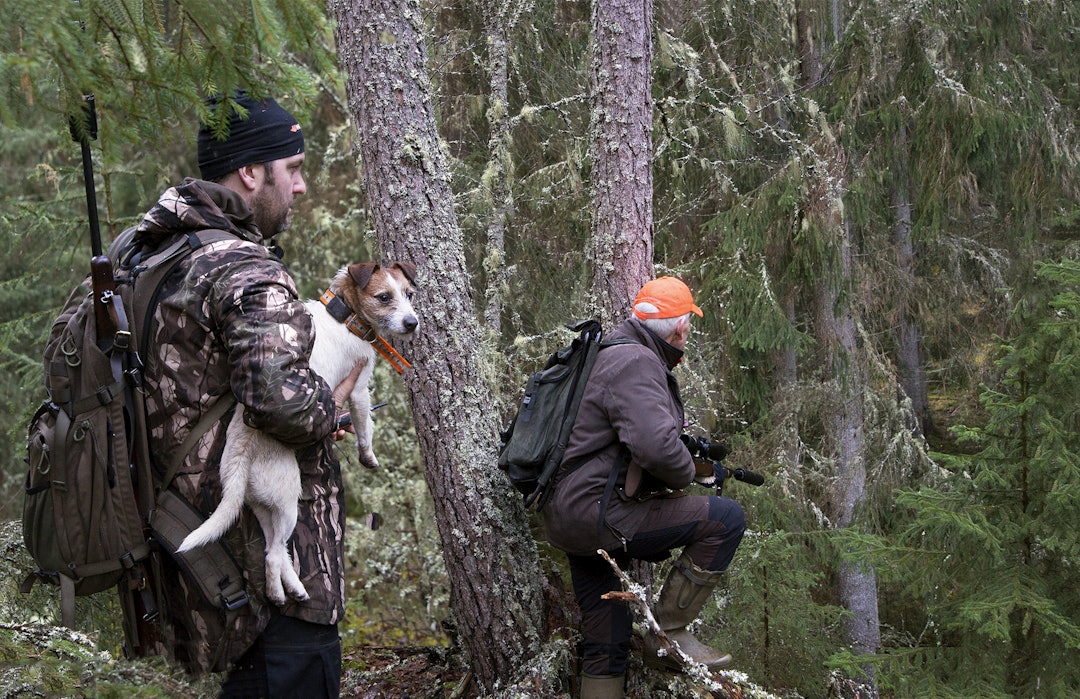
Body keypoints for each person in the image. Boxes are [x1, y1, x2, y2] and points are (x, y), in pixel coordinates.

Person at [129, 92, 361, 697]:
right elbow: (281, 401)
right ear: (251, 173)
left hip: (185, 563)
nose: (303, 187)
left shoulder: (147, 255)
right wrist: (331, 405)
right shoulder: (246, 269)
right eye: (294, 169)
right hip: (267, 581)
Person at [543, 277, 747, 699]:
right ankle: (668, 635)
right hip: (598, 513)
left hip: (571, 515)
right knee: (726, 519)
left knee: (608, 637)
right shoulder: (635, 362)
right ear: (680, 329)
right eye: (689, 323)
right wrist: (688, 473)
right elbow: (656, 447)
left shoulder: (608, 351)